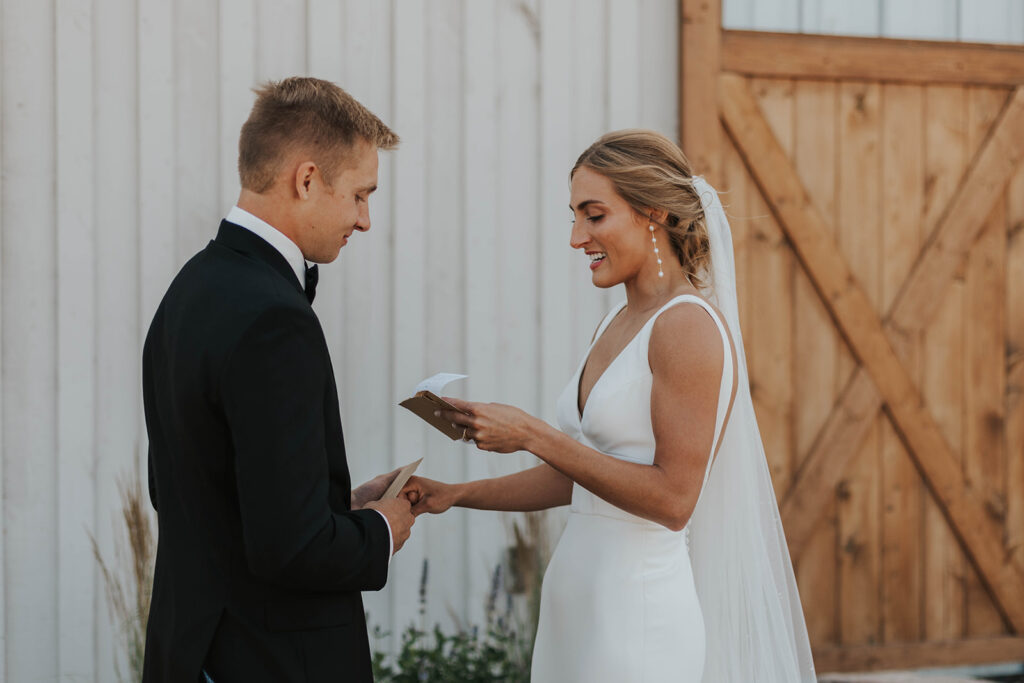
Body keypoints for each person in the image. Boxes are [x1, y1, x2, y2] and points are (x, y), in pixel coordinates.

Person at [403, 130, 816, 682]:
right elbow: (581, 477)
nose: (577, 238)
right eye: (574, 217)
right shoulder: (617, 323)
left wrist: (532, 432)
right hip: (578, 607)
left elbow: (674, 500)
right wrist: (453, 496)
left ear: (653, 214)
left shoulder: (687, 327)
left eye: (593, 216)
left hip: (636, 616)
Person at [142, 77, 415, 683]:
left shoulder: (189, 289)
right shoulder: (274, 319)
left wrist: (329, 509)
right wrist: (380, 531)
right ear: (308, 179)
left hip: (192, 648)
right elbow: (290, 550)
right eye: (361, 196)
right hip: (263, 660)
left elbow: (193, 494)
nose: (366, 221)